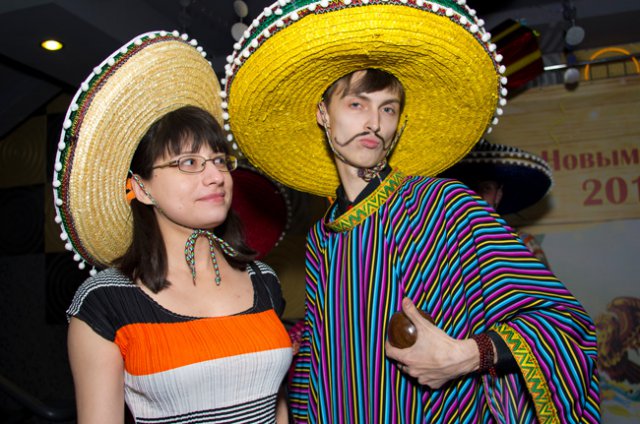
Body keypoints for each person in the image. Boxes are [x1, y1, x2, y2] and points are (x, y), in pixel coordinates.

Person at [222, 1, 599, 423]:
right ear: (323, 113)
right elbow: (321, 358)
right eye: (356, 105)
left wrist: (469, 354)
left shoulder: (445, 204)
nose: (374, 123)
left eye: (388, 108)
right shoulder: (321, 238)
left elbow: (563, 321)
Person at [53, 31, 292, 423]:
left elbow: (277, 405)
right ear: (141, 187)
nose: (215, 176)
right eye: (188, 162)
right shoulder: (105, 302)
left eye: (219, 160)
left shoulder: (264, 280)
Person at [440, 140, 554, 267]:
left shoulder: (523, 246)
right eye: (466, 187)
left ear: (498, 195)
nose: (475, 196)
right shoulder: (433, 246)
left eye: (486, 188)